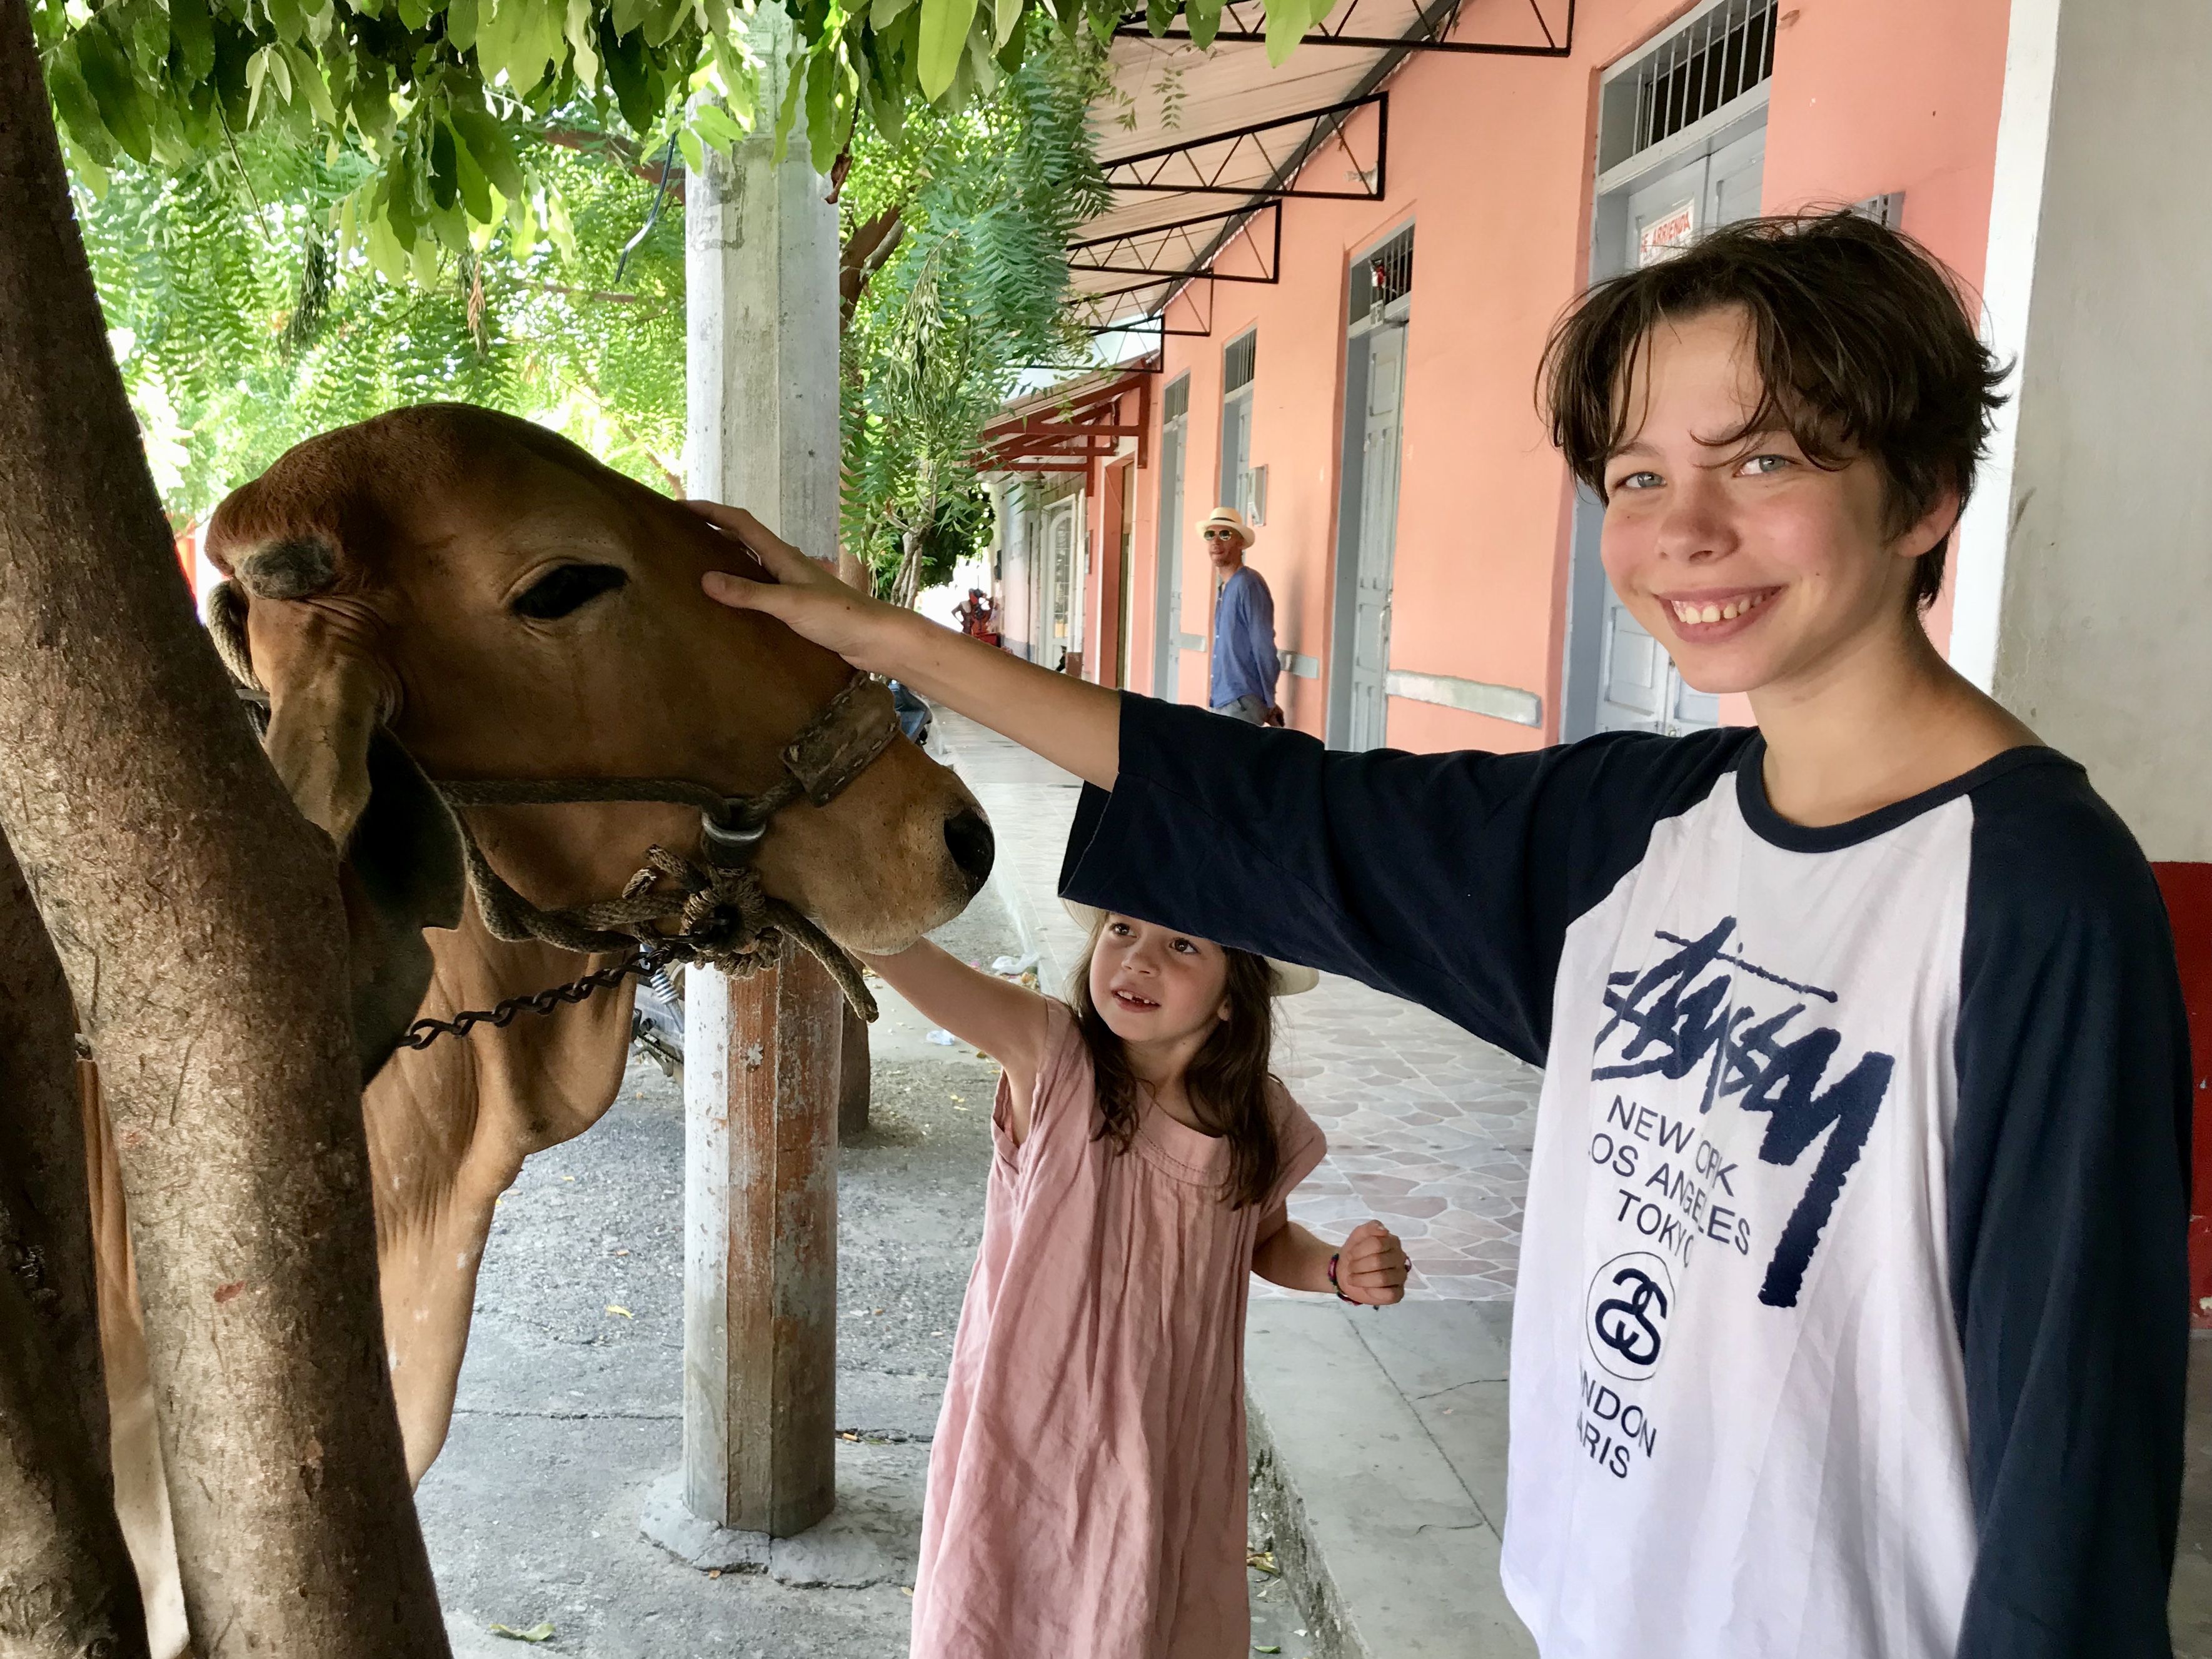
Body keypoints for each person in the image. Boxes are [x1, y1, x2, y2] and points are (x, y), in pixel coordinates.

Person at [689, 211, 2190, 1659]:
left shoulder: (2029, 895)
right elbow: (1285, 812)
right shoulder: (1635, 832)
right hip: (1589, 1615)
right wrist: (882, 641)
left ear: (1923, 494)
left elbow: (2073, 1458)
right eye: (1638, 476)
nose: (1685, 532)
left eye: (1765, 460)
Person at [850, 904, 1407, 1658]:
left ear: (1233, 995)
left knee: (1134, 1612)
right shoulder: (1051, 1057)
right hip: (1028, 1429)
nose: (1138, 959)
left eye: (1181, 943)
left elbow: (1263, 1237)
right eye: (1121, 930)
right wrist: (835, 889)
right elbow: (900, 950)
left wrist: (1336, 1269)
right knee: (1001, 1606)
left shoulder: (1259, 1119)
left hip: (1164, 1440)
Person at [1199, 506, 1282, 725]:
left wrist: (1269, 700)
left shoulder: (1248, 584)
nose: (1216, 541)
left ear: (1241, 543)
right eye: (1211, 535)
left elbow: (1263, 645)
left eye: (1225, 534)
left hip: (1241, 702)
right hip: (1223, 699)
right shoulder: (1224, 588)